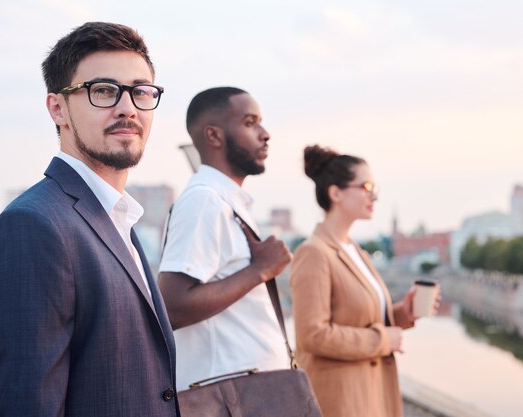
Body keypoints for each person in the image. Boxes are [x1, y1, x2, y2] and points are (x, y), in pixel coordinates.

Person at [0, 22, 179, 417]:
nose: (127, 107)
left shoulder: (117, 219)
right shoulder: (32, 227)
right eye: (103, 90)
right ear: (57, 108)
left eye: (140, 91)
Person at [158, 87, 293, 391]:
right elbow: (172, 307)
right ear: (214, 136)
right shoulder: (204, 201)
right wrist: (260, 270)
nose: (265, 133)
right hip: (231, 399)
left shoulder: (225, 201)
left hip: (248, 393)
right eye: (250, 122)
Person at [290, 145, 434, 417]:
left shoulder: (355, 251)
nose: (374, 195)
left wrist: (404, 312)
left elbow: (364, 319)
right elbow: (312, 335)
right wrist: (382, 340)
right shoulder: (314, 252)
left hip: (371, 395)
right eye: (366, 186)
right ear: (336, 193)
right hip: (340, 401)